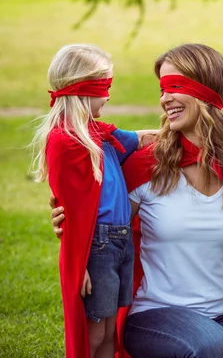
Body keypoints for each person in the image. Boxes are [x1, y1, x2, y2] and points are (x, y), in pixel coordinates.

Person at [51, 43, 223, 358]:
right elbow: (102, 223)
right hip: (154, 315)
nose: (165, 98)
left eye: (176, 87)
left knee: (218, 345)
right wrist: (71, 223)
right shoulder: (144, 167)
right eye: (162, 89)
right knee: (213, 347)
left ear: (208, 93)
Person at [32, 44, 153, 358]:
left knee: (112, 331)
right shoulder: (65, 140)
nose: (109, 96)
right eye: (105, 87)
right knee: (95, 333)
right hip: (97, 247)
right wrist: (80, 265)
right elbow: (71, 210)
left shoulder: (101, 134)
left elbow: (141, 138)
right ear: (86, 90)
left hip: (119, 241)